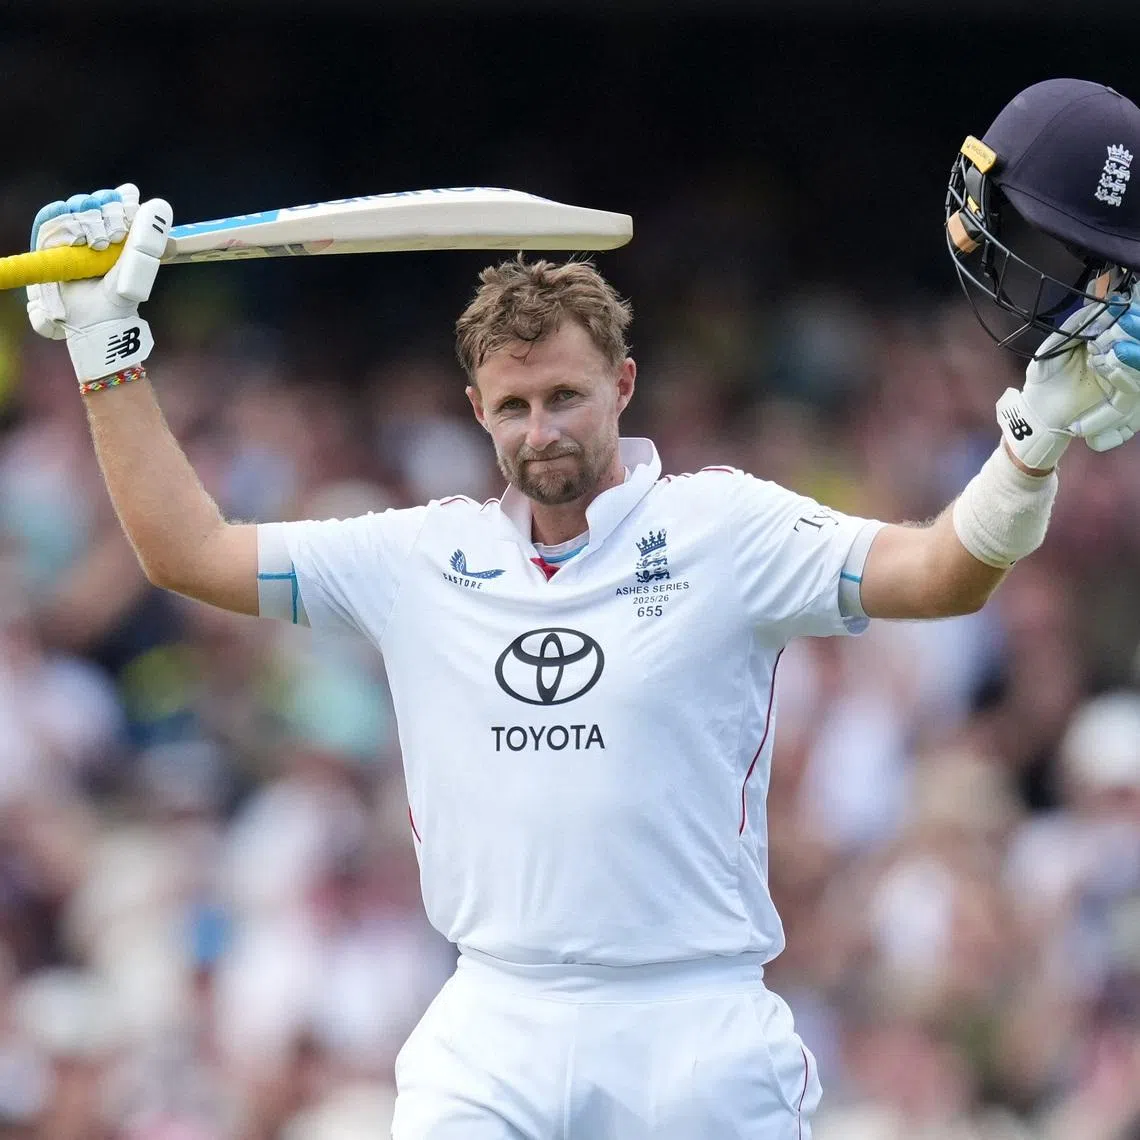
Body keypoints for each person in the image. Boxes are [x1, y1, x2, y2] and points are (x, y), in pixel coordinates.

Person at [24, 77, 1140, 1139]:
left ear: (624, 385)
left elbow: (944, 575)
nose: (542, 430)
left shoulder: (727, 529)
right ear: (476, 410)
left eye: (566, 396)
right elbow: (187, 551)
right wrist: (104, 348)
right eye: (513, 406)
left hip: (693, 1026)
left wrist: (1029, 444)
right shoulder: (419, 556)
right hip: (491, 1021)